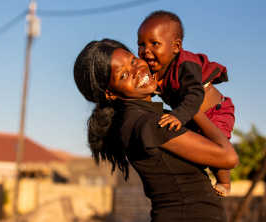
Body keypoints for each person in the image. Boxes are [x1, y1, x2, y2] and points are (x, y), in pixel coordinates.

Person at [73, 39, 238, 222]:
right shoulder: (151, 123)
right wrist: (193, 107)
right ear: (110, 93)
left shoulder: (139, 119)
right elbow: (227, 158)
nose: (137, 70)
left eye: (134, 61)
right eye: (124, 75)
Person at [136, 10, 235, 196]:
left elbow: (195, 94)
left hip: (216, 112)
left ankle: (225, 182)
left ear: (176, 46)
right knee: (196, 150)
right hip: (192, 116)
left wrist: (178, 116)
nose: (146, 50)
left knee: (215, 148)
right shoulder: (156, 71)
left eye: (154, 43)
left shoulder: (186, 64)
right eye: (141, 45)